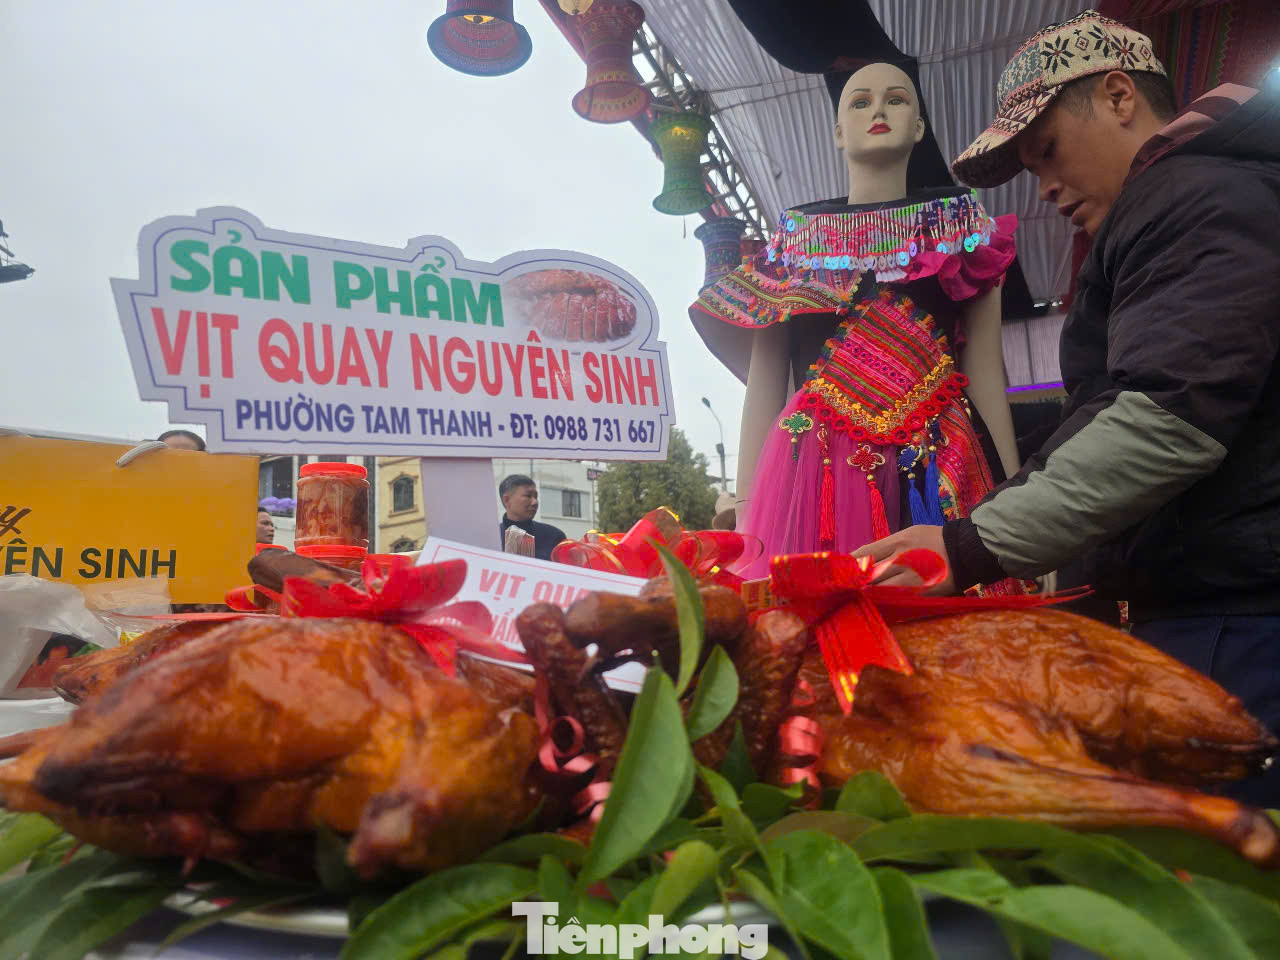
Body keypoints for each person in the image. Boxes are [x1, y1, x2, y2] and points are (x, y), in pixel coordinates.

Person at [860, 10, 1280, 804]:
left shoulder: (1198, 197)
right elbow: (1119, 410)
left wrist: (967, 547)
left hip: (1243, 622)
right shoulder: (1183, 209)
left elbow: (1165, 416)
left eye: (1048, 151)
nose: (1046, 188)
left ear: (1121, 96)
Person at [690, 62, 1021, 583]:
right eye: (860, 102)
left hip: (938, 460)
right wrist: (751, 509)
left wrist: (1014, 503)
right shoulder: (795, 242)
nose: (880, 111)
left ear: (918, 126)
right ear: (839, 131)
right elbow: (765, 384)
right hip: (816, 467)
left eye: (897, 99)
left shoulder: (963, 228)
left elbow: (985, 375)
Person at [498, 474, 566, 562]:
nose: (534, 502)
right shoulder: (491, 538)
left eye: (536, 497)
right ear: (506, 500)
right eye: (528, 496)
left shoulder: (554, 536)